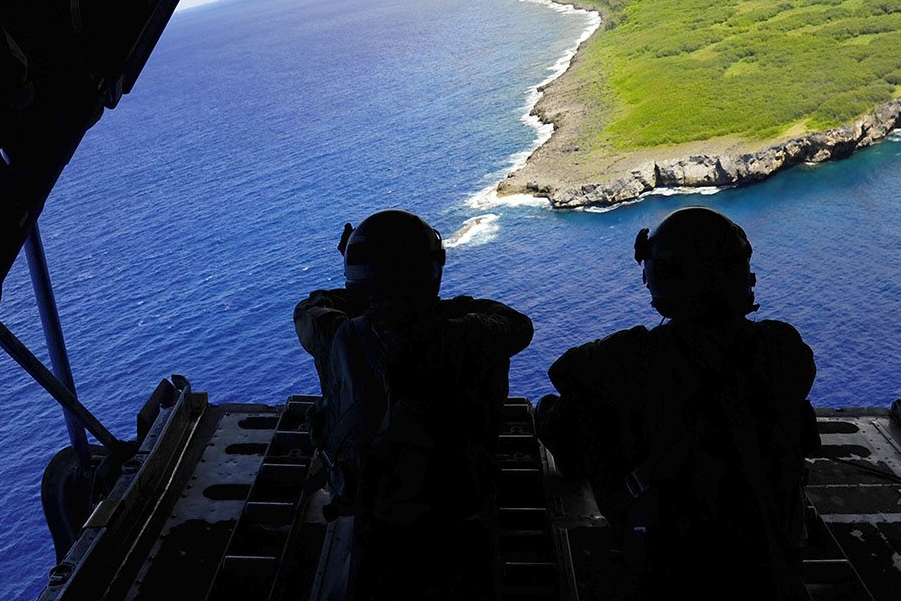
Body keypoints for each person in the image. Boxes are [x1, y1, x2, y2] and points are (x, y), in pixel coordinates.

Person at [535, 206, 818, 600]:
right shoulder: (784, 346)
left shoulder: (636, 354)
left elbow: (562, 373)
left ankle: (582, 475)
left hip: (670, 563)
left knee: (569, 408)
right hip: (771, 553)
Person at [294, 209, 533, 600]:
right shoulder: (472, 334)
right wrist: (435, 307)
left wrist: (360, 287)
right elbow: (516, 323)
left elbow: (310, 308)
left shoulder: (332, 334)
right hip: (458, 505)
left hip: (370, 508)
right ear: (430, 271)